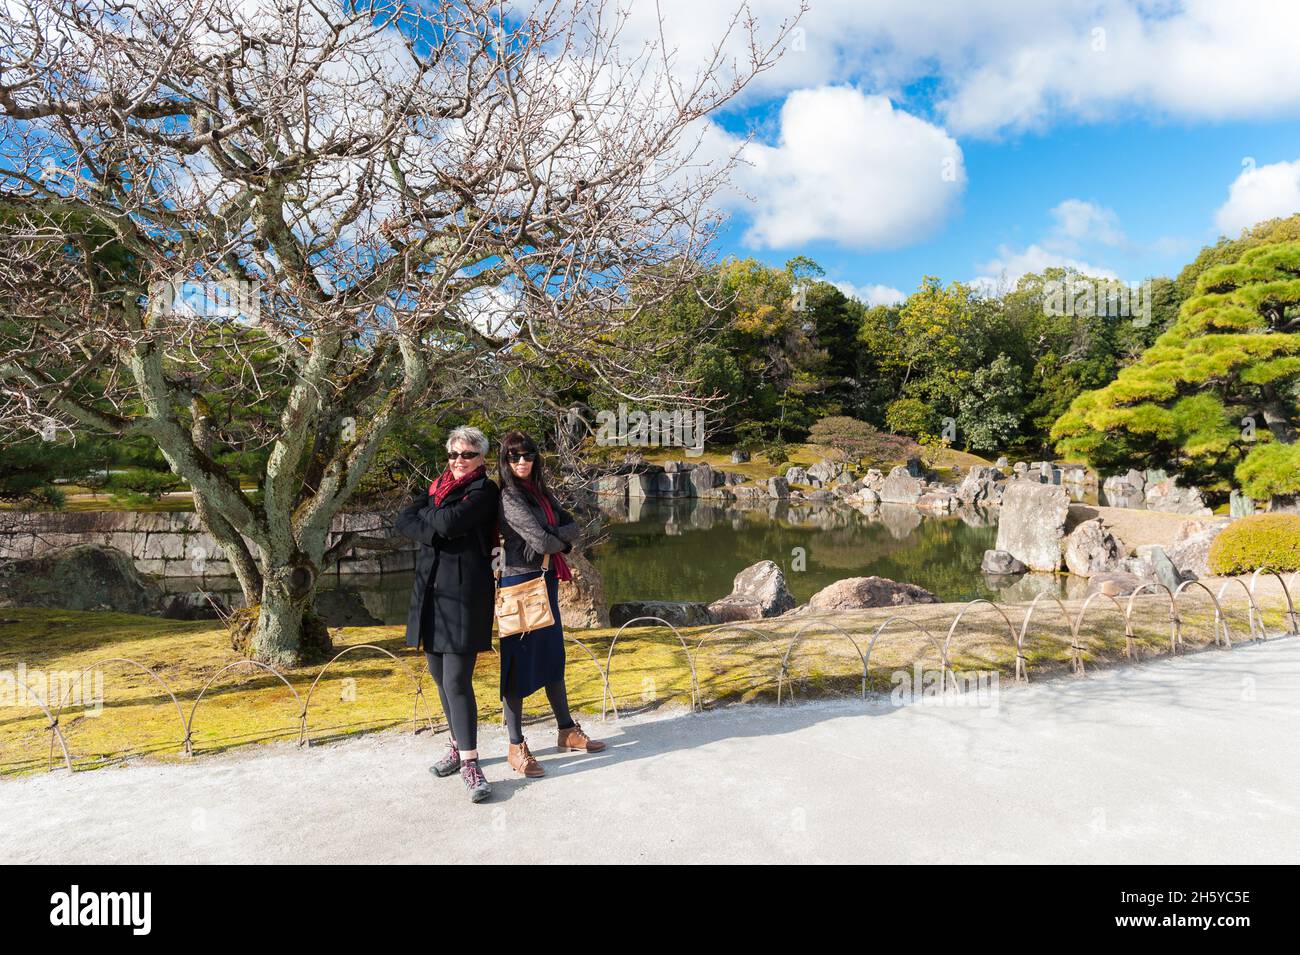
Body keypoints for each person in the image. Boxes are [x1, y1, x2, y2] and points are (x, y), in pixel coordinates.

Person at [395, 425, 499, 803]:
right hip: (430, 592)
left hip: (465, 596)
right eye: (453, 455)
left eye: (467, 454)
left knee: (457, 680)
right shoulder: (438, 487)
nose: (458, 461)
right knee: (439, 677)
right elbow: (403, 519)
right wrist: (432, 517)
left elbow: (449, 523)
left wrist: (430, 515)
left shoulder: (485, 491)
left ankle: (472, 764)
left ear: (481, 457)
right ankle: (456, 746)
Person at [496, 430, 605, 778]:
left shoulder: (541, 493)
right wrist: (557, 539)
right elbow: (543, 537)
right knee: (517, 665)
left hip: (544, 579)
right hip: (517, 584)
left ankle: (566, 730)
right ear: (505, 461)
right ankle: (516, 745)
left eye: (527, 455)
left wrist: (557, 540)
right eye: (514, 457)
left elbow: (572, 527)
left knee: (553, 658)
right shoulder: (509, 498)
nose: (522, 462)